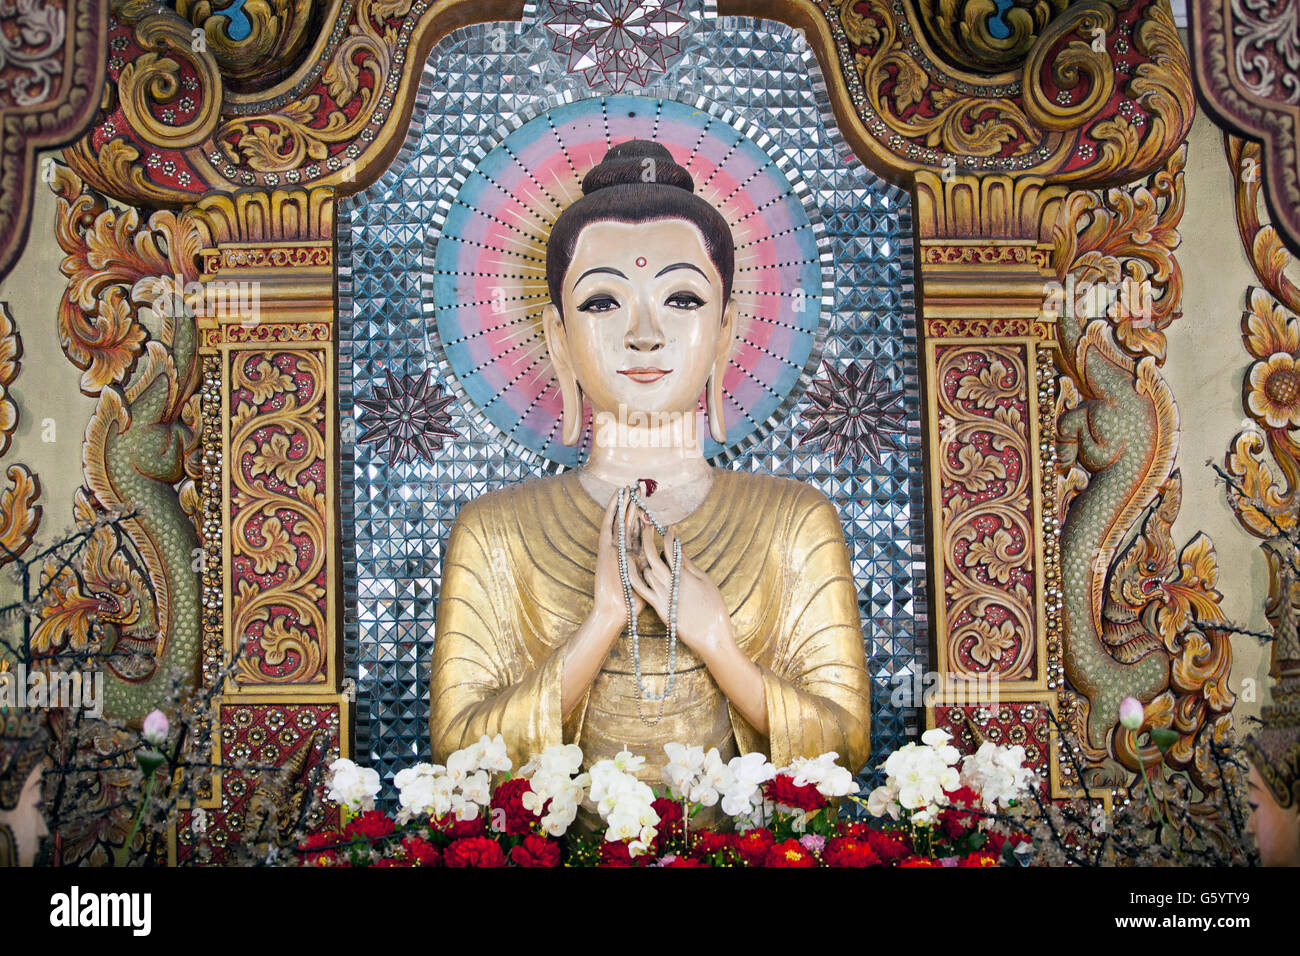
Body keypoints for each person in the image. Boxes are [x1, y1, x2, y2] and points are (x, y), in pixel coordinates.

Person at [429, 140, 871, 789]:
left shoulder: (794, 521)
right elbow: (458, 752)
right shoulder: (494, 531)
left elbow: (845, 744)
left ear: (725, 329)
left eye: (683, 300)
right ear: (557, 337)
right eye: (603, 302)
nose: (644, 333)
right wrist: (603, 620)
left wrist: (716, 640)